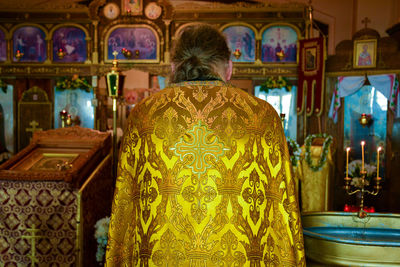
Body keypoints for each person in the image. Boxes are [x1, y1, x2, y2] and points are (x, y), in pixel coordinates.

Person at [106, 24, 305, 267]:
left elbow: (126, 205)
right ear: (229, 67)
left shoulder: (143, 115)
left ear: (172, 68)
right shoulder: (262, 116)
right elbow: (282, 210)